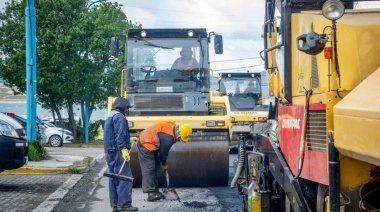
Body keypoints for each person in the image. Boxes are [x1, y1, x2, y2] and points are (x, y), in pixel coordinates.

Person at [137, 121, 192, 202]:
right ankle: (150, 193)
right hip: (146, 144)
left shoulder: (172, 128)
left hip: (153, 145)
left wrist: (162, 163)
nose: (179, 140)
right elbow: (164, 152)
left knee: (156, 168)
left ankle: (155, 191)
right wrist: (164, 164)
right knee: (150, 168)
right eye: (180, 138)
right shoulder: (168, 138)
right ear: (178, 133)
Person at [103, 97, 138, 212]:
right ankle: (125, 204)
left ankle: (115, 205)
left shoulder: (110, 115)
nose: (128, 110)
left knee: (113, 178)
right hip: (118, 152)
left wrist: (129, 140)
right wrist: (124, 149)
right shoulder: (120, 117)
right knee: (124, 177)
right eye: (127, 108)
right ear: (122, 107)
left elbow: (113, 134)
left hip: (109, 152)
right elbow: (120, 134)